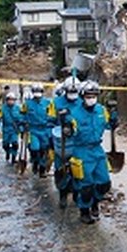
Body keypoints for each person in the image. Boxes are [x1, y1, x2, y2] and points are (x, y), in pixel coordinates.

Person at [64, 80, 118, 224]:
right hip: (81, 151)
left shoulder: (101, 110)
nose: (91, 98)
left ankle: (95, 201)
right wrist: (68, 128)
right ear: (82, 96)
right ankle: (84, 210)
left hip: (97, 150)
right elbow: (71, 129)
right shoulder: (74, 113)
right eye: (88, 95)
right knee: (86, 186)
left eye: (94, 95)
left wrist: (113, 119)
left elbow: (108, 125)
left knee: (104, 183)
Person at [48, 77, 80, 208]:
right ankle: (63, 194)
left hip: (77, 141)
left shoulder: (82, 102)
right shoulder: (56, 103)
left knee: (77, 170)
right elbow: (49, 121)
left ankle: (77, 193)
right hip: (61, 141)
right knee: (61, 168)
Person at [23, 82, 54, 176]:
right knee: (35, 148)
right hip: (33, 130)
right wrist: (23, 125)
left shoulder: (48, 103)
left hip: (45, 130)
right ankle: (35, 161)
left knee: (44, 150)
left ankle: (42, 168)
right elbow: (22, 115)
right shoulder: (27, 104)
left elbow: (52, 116)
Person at [0, 91, 24, 164]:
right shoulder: (2, 109)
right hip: (6, 130)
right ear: (6, 100)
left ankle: (13, 158)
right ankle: (8, 152)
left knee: (15, 144)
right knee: (5, 145)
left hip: (14, 130)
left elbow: (22, 119)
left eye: (12, 100)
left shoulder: (18, 108)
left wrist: (22, 129)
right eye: (9, 100)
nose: (11, 101)